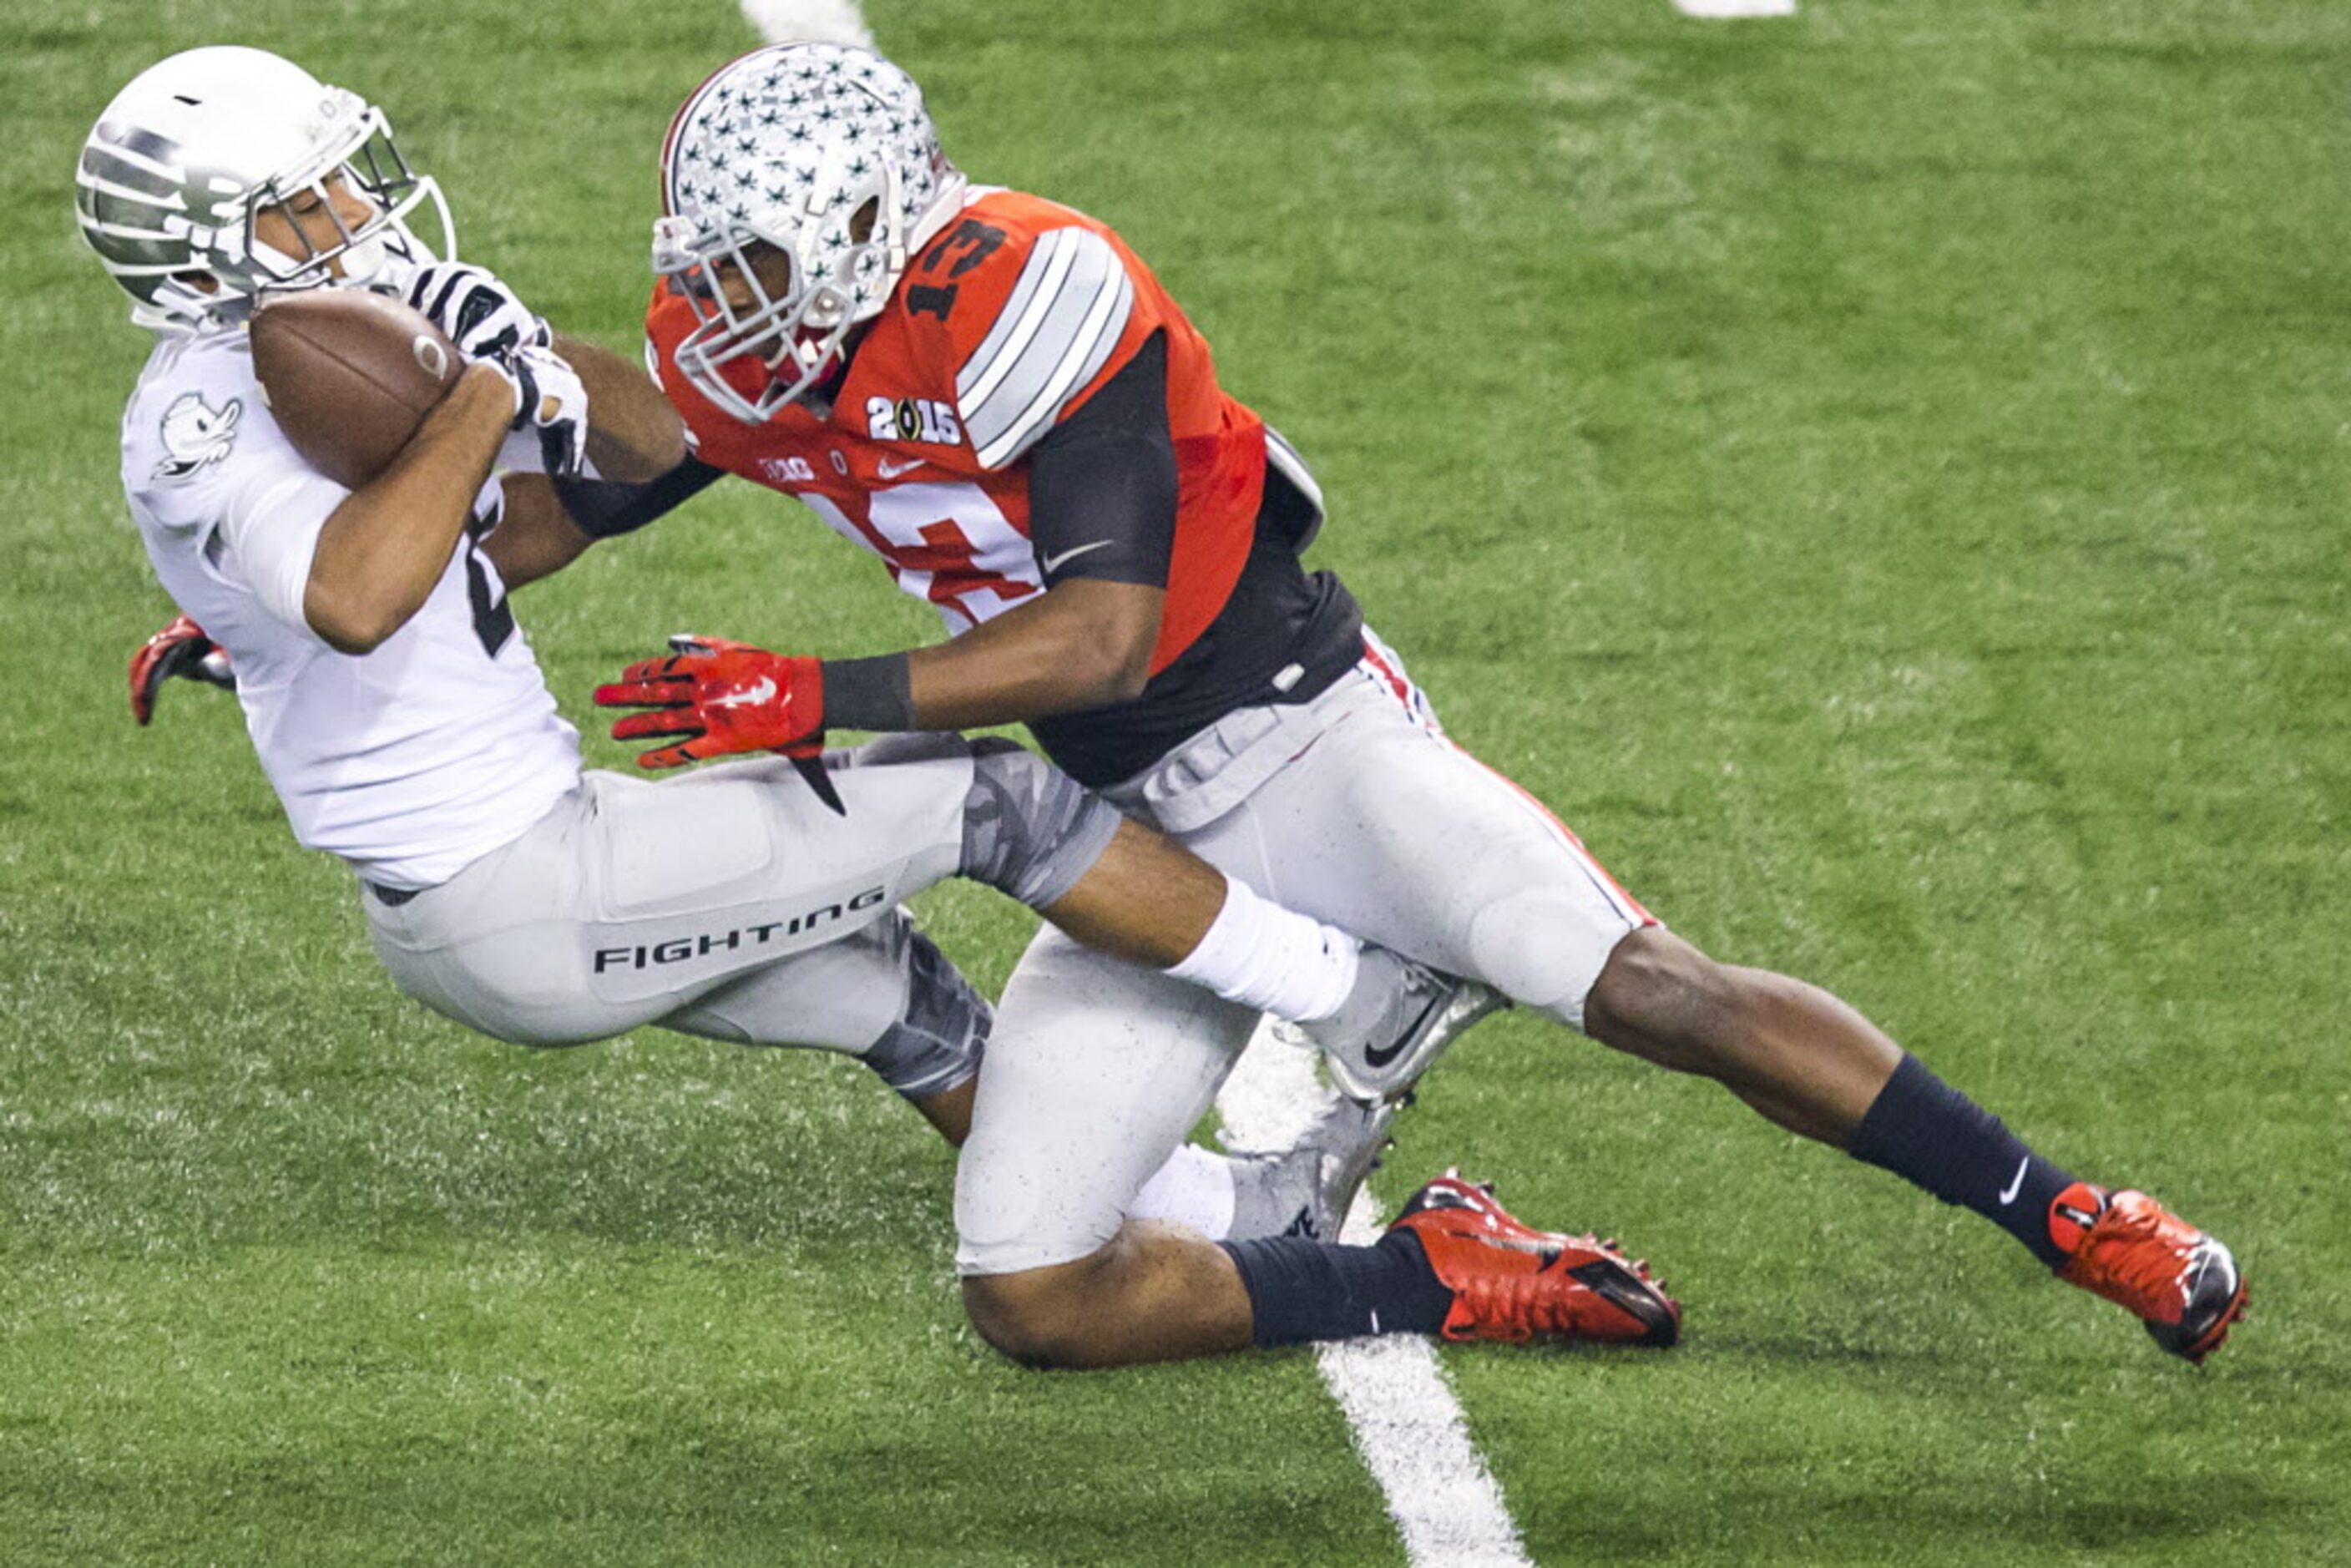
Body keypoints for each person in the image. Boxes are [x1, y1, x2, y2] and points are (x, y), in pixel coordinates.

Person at [584, 41, 2246, 1369]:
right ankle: (1431, 1272)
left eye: (756, 258)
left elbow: (1098, 642)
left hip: (1312, 745)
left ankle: (2071, 1216)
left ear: (875, 223)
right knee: (1026, 1288)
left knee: (1645, 987)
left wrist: (810, 690)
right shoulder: (751, 356)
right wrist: (451, 416)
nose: (724, 297)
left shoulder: (1035, 292)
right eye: (710, 260)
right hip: (1126, 843)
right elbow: (577, 486)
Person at [94, 46, 1682, 1353]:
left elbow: (551, 499)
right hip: (521, 891)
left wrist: (521, 403)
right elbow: (367, 589)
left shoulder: (284, 356)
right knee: (983, 796)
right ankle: (1354, 994)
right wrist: (490, 393)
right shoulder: (209, 415)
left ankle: (1379, 1260)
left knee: (903, 1002)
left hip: (495, 882)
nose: (365, 211)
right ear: (212, 244)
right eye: (316, 201)